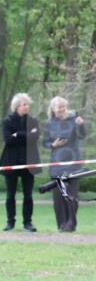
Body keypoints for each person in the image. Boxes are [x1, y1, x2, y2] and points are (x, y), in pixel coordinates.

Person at [0, 93, 41, 232]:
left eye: (28, 104)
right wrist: (26, 135)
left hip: (29, 160)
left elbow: (34, 139)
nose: (27, 107)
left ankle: (28, 223)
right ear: (17, 106)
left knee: (28, 194)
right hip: (12, 160)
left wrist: (19, 134)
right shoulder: (7, 121)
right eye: (24, 104)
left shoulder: (33, 121)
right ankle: (10, 222)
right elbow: (8, 140)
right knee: (11, 194)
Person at [43, 96, 87, 232]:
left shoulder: (74, 118)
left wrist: (80, 125)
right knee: (58, 197)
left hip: (73, 163)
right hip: (56, 165)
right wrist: (53, 144)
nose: (62, 109)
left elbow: (81, 136)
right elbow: (45, 143)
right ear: (53, 109)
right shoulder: (49, 123)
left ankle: (71, 223)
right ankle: (62, 224)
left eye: (63, 106)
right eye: (59, 107)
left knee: (71, 195)